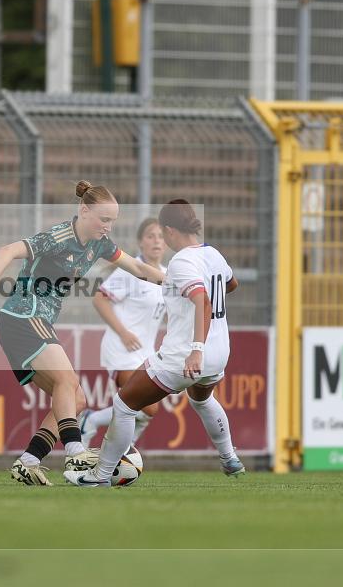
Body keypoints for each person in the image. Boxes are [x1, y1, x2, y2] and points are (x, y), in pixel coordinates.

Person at [0, 180, 165, 486]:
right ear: (84, 211)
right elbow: (7, 250)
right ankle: (75, 451)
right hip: (23, 316)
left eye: (113, 221)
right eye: (104, 219)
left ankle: (28, 462)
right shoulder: (57, 237)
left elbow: (138, 269)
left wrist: (177, 281)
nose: (108, 227)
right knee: (67, 381)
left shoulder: (99, 244)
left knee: (78, 399)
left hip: (35, 324)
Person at [64, 199, 245, 487]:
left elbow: (202, 299)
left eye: (162, 233)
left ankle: (99, 476)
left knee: (124, 405)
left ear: (170, 230)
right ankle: (229, 457)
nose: (161, 240)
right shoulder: (213, 254)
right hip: (219, 352)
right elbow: (230, 285)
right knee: (202, 399)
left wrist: (195, 349)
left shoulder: (182, 260)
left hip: (185, 354)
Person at [81, 217, 166, 447]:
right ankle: (92, 421)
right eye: (150, 236)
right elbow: (99, 299)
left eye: (160, 236)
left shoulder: (165, 276)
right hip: (122, 349)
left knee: (146, 411)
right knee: (147, 405)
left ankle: (122, 456)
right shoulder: (131, 270)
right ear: (141, 242)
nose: (156, 241)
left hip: (147, 353)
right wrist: (124, 332)